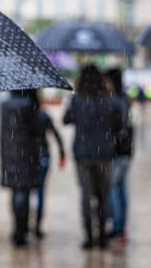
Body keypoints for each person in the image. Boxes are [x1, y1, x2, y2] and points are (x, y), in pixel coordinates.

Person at [63, 65, 123, 250]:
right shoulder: (110, 100)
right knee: (103, 197)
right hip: (104, 154)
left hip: (83, 155)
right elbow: (120, 124)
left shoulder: (77, 100)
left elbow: (66, 119)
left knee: (86, 196)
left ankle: (89, 237)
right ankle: (103, 237)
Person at [0, 90, 43, 246]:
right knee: (23, 191)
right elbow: (36, 130)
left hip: (9, 152)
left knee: (15, 190)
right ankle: (21, 229)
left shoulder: (4, 105)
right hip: (26, 153)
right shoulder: (29, 105)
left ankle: (17, 228)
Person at [32, 93, 66, 239]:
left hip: (26, 157)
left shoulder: (22, 115)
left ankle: (24, 224)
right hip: (43, 156)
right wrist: (62, 153)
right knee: (40, 192)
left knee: (26, 191)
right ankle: (37, 226)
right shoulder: (43, 115)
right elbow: (56, 134)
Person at [105, 68, 133, 244]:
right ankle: (121, 228)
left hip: (116, 153)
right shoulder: (126, 100)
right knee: (121, 190)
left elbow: (115, 128)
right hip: (127, 152)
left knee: (113, 191)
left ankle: (117, 229)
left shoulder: (113, 101)